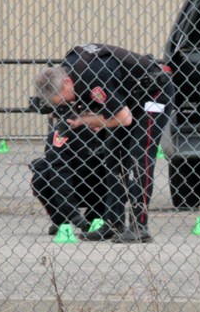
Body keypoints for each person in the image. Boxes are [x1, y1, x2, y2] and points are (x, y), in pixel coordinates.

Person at [34, 43, 169, 243]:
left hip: (154, 93)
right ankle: (113, 223)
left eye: (63, 99)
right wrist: (94, 117)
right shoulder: (68, 69)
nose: (65, 105)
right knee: (113, 155)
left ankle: (139, 226)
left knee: (138, 154)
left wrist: (85, 120)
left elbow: (124, 119)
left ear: (68, 83)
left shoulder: (93, 80)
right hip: (128, 96)